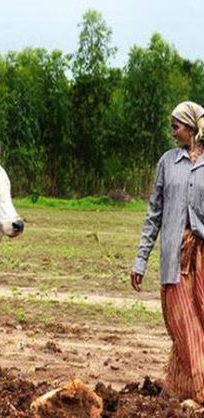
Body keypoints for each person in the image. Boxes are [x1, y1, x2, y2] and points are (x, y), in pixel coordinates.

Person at [132, 101, 204, 403]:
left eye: (176, 127)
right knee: (183, 326)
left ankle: (178, 390)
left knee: (198, 323)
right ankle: (200, 389)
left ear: (192, 128)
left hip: (201, 259)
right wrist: (141, 259)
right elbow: (154, 214)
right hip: (174, 261)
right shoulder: (167, 162)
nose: (172, 132)